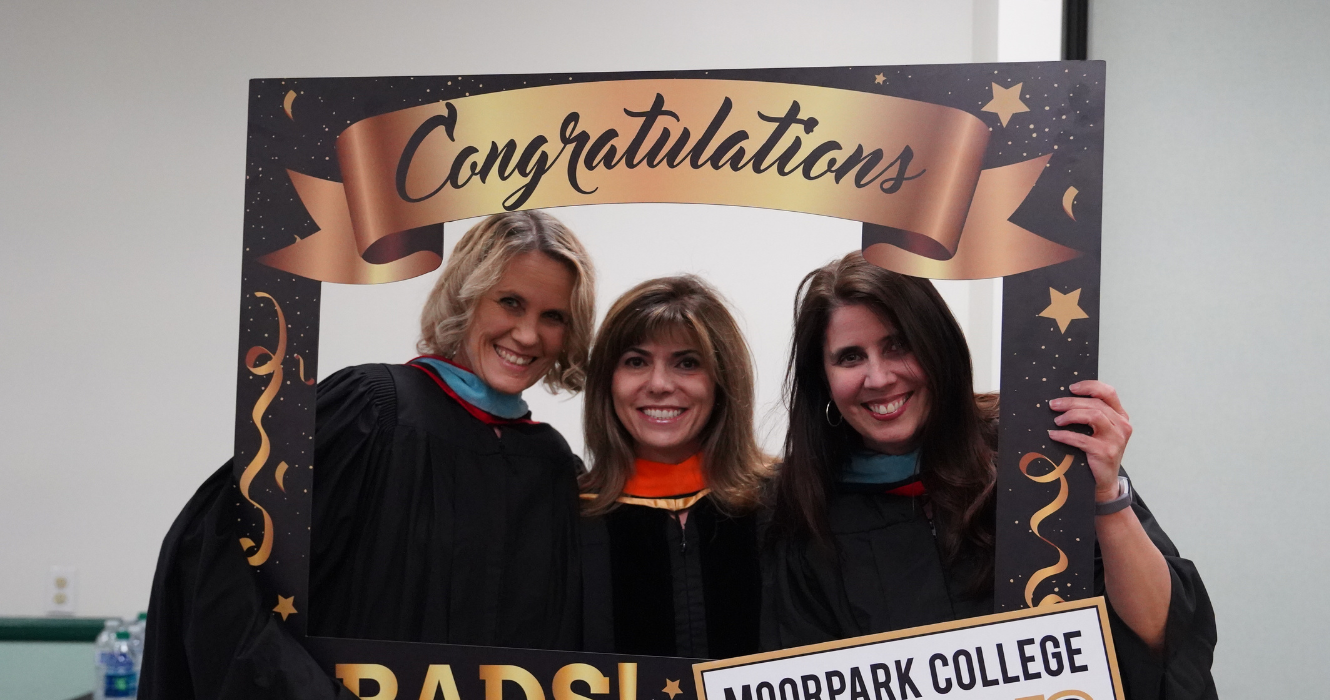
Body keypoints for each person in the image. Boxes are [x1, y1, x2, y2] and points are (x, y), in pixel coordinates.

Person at [140, 211, 596, 698]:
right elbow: (217, 557)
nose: (528, 335)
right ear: (467, 297)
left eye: (554, 317)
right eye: (510, 302)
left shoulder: (551, 466)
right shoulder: (370, 411)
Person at [763, 252, 1216, 699]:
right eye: (849, 357)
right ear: (822, 379)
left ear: (937, 346)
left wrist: (1104, 497)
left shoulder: (1038, 456)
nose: (878, 377)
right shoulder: (807, 514)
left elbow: (1162, 639)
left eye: (898, 344)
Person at [578, 275, 771, 659]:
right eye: (636, 362)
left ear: (722, 379)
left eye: (687, 363)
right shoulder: (571, 518)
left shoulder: (783, 508)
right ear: (607, 382)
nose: (660, 384)